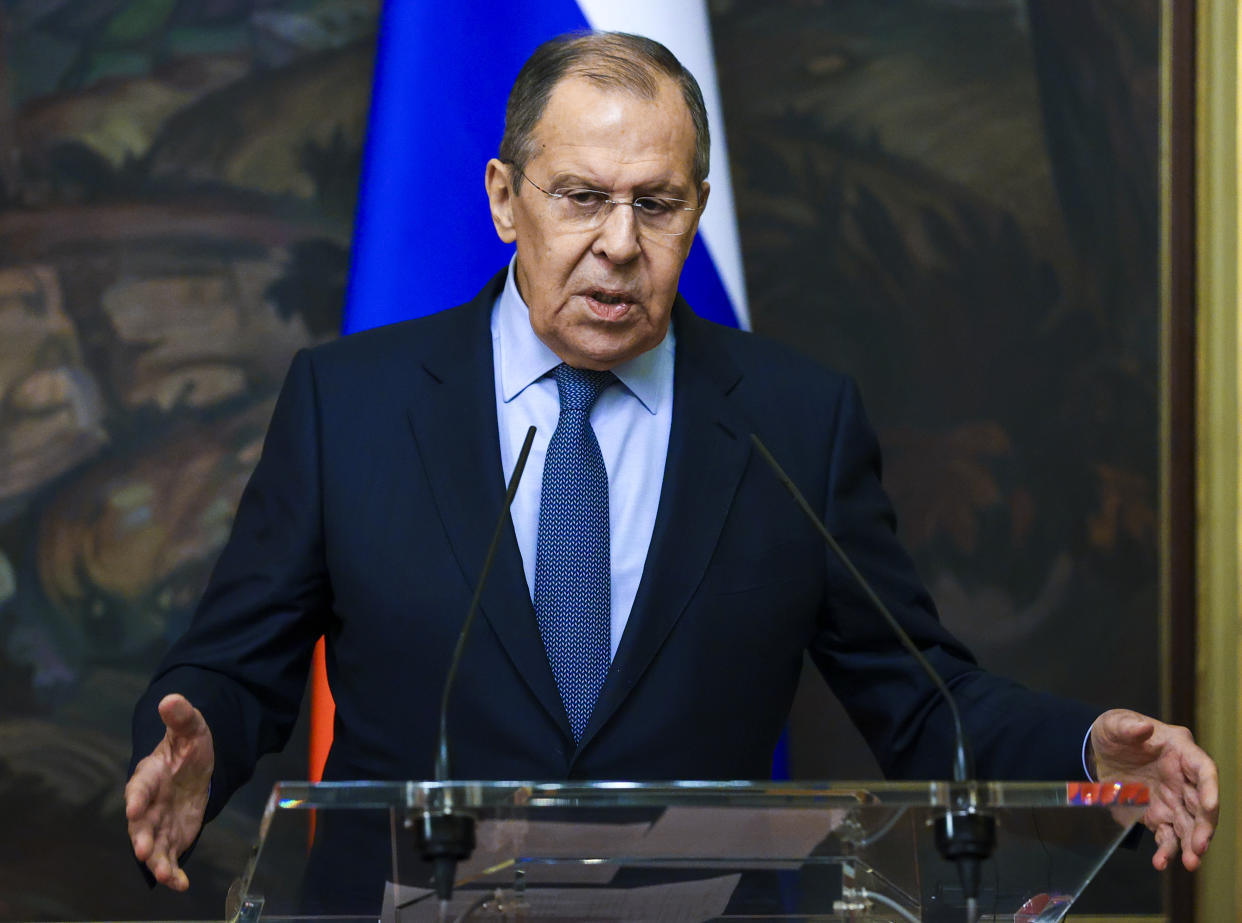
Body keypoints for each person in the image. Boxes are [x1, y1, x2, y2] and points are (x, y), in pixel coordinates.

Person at [126, 31, 1218, 898]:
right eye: (581, 196)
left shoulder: (796, 423)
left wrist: (1087, 749)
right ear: (507, 198)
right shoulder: (349, 403)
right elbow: (237, 664)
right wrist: (197, 741)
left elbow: (924, 701)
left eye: (656, 203)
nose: (618, 241)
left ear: (697, 210)